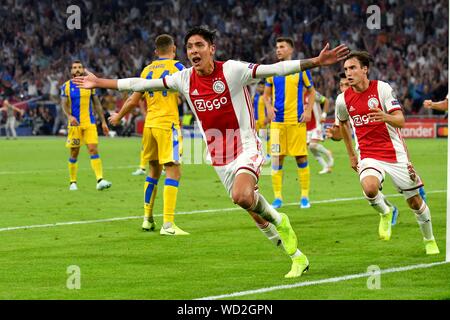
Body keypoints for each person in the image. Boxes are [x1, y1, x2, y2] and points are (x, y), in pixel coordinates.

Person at [73, 26, 349, 278]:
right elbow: (140, 85)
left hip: (246, 146)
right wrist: (100, 82)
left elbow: (274, 69)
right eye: (190, 46)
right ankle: (296, 257)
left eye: (199, 45)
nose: (194, 51)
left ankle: (281, 220)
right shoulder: (183, 79)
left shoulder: (232, 70)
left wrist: (315, 61)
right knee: (248, 205)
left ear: (211, 49)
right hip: (218, 156)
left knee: (243, 195)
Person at [336, 51, 439, 255]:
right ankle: (386, 211)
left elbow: (401, 120)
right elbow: (343, 126)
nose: (348, 73)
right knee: (370, 188)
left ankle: (429, 240)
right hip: (368, 154)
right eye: (346, 69)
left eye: (353, 68)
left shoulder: (381, 89)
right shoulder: (343, 99)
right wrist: (350, 154)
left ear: (365, 69)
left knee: (415, 202)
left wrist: (385, 116)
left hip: (394, 153)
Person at [110, 34, 188, 235]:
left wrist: (118, 116)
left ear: (156, 51)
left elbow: (134, 100)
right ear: (174, 49)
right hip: (167, 125)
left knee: (153, 171)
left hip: (149, 126)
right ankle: (168, 225)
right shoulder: (178, 67)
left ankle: (147, 219)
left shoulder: (146, 70)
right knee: (173, 171)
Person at [264, 37, 314, 209]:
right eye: (277, 47)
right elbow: (266, 94)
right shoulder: (272, 70)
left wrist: (308, 110)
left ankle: (305, 197)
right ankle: (278, 198)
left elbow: (312, 91)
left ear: (290, 50)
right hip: (277, 124)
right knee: (277, 159)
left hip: (296, 122)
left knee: (301, 157)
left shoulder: (301, 69)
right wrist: (268, 106)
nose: (278, 49)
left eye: (282, 47)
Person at [61, 60, 112, 191]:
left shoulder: (90, 85)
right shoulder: (66, 86)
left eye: (79, 67)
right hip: (75, 125)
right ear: (71, 71)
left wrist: (104, 122)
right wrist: (69, 116)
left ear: (83, 69)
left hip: (89, 123)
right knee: (74, 152)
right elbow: (64, 104)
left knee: (93, 149)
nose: (77, 69)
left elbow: (97, 104)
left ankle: (100, 180)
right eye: (74, 68)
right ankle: (73, 182)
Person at [305, 90, 334, 174]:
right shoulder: (297, 95)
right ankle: (325, 167)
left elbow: (326, 101)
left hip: (317, 123)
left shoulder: (312, 93)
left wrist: (323, 115)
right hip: (306, 126)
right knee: (311, 148)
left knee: (313, 145)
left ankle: (328, 153)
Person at [252, 80, 270, 162]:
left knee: (264, 138)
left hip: (263, 120)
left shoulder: (266, 97)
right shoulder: (255, 96)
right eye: (260, 86)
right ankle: (260, 154)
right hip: (256, 121)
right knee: (256, 138)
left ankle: (267, 155)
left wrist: (268, 118)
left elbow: (269, 107)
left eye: (263, 87)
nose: (261, 88)